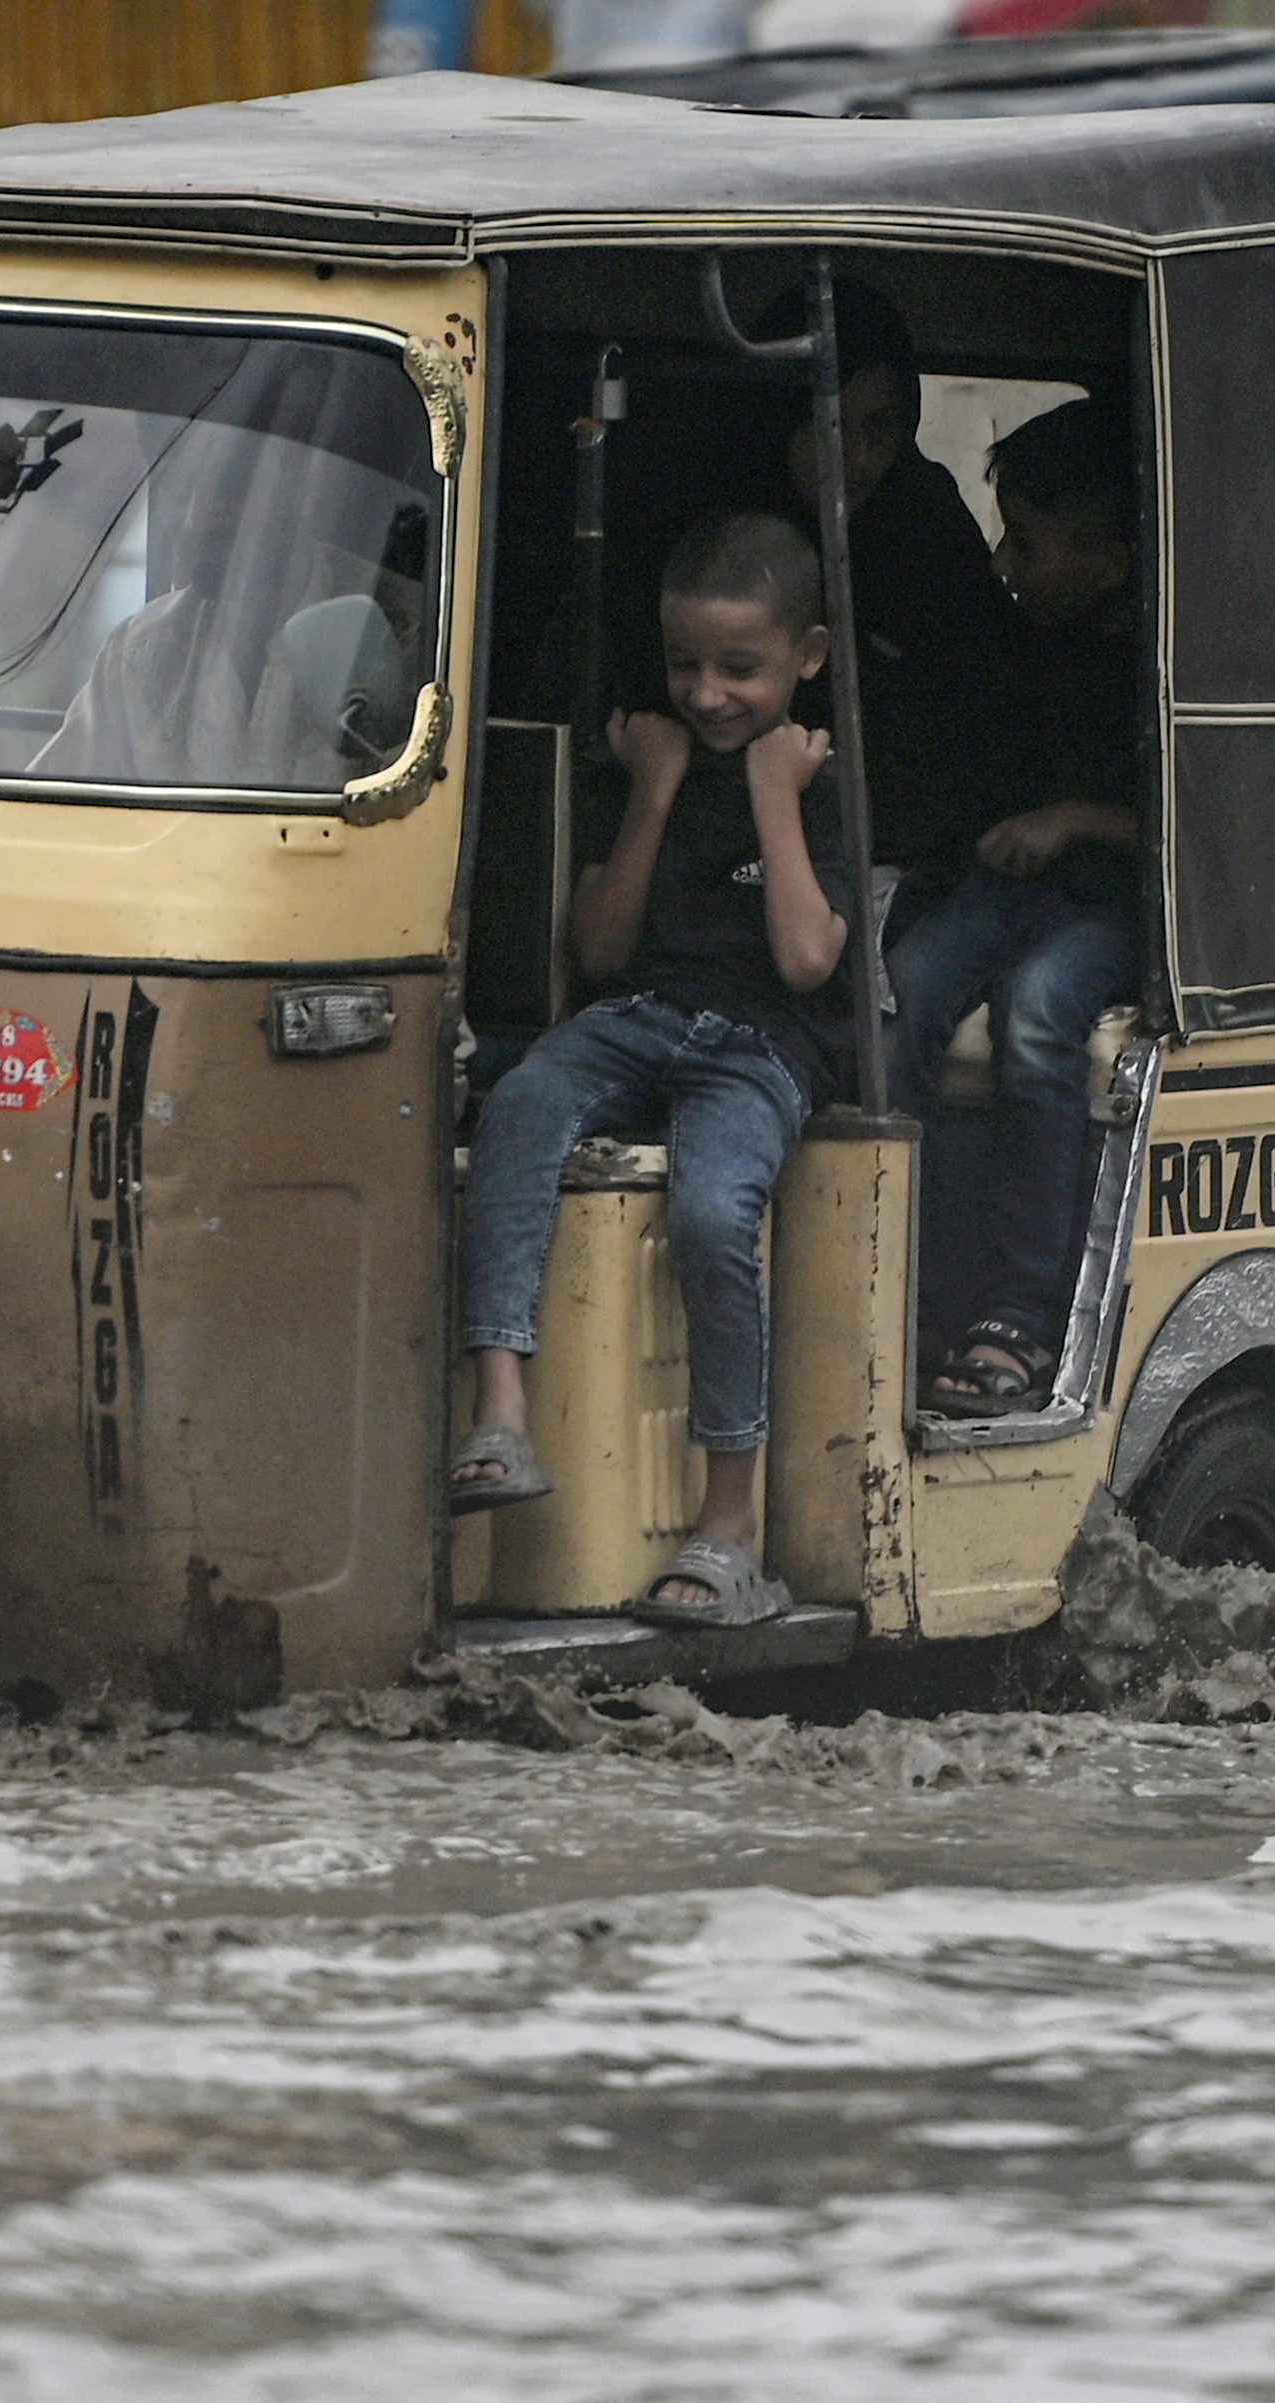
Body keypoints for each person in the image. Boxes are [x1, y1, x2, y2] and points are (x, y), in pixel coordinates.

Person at [446, 512, 855, 1628]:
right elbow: (602, 947)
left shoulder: (818, 774)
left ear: (805, 660)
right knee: (521, 1101)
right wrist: (653, 791)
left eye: (741, 670)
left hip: (758, 1048)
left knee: (715, 1216)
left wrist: (773, 793)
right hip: (642, 1013)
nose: (709, 695)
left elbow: (807, 958)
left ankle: (730, 1525)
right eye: (686, 666)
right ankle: (500, 1411)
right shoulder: (654, 758)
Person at [891, 399, 1144, 1416]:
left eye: (1026, 545)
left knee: (1039, 1015)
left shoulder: (1158, 663)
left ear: (1111, 561)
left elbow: (1187, 825)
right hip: (1006, 892)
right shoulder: (1016, 636)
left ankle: (1019, 1310)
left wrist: (1072, 820)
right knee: (900, 990)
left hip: (1101, 910)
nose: (1002, 563)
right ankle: (894, 1279)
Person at [741, 277, 1027, 905]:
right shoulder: (721, 519)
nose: (861, 457)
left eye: (882, 428)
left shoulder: (924, 521)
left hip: (909, 862)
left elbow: (986, 707)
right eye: (833, 426)